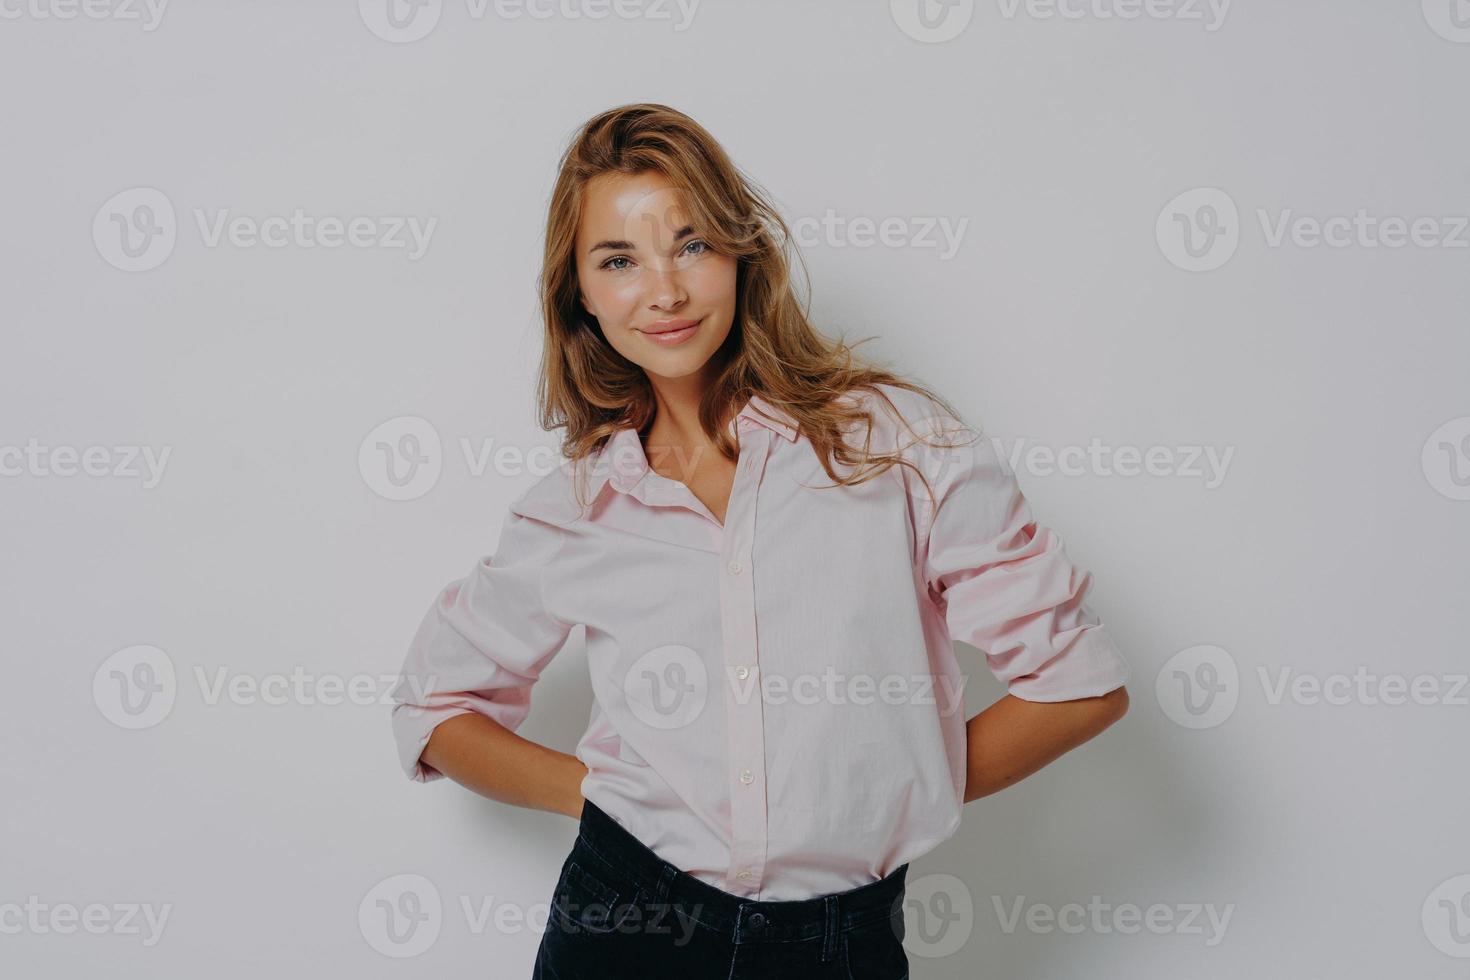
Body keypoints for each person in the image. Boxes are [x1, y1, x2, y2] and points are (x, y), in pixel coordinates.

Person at [388, 103, 1131, 979]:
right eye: (619, 260)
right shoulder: (574, 507)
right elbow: (433, 708)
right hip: (623, 927)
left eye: (691, 244)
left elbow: (1079, 686)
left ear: (742, 252)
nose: (663, 291)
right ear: (580, 295)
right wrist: (601, 799)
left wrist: (885, 789)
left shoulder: (897, 446)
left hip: (838, 945)